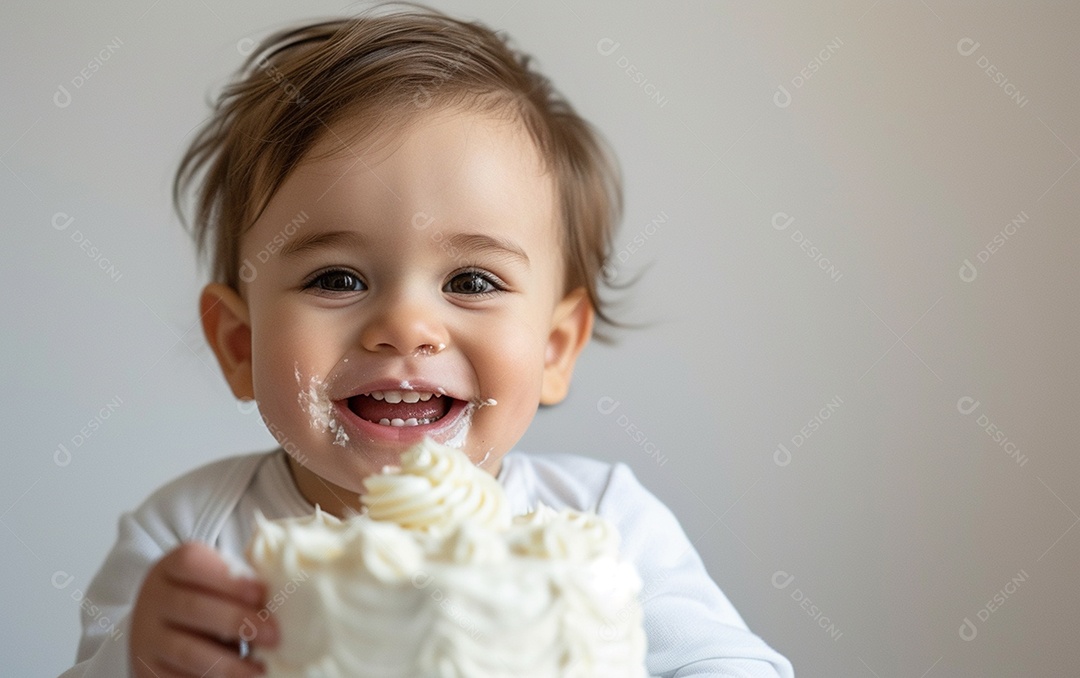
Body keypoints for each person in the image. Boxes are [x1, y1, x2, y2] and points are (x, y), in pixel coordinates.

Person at [60, 6, 794, 677]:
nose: (407, 327)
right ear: (241, 345)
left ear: (554, 349)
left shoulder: (602, 523)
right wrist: (135, 658)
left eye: (473, 282)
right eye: (339, 279)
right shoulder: (191, 540)